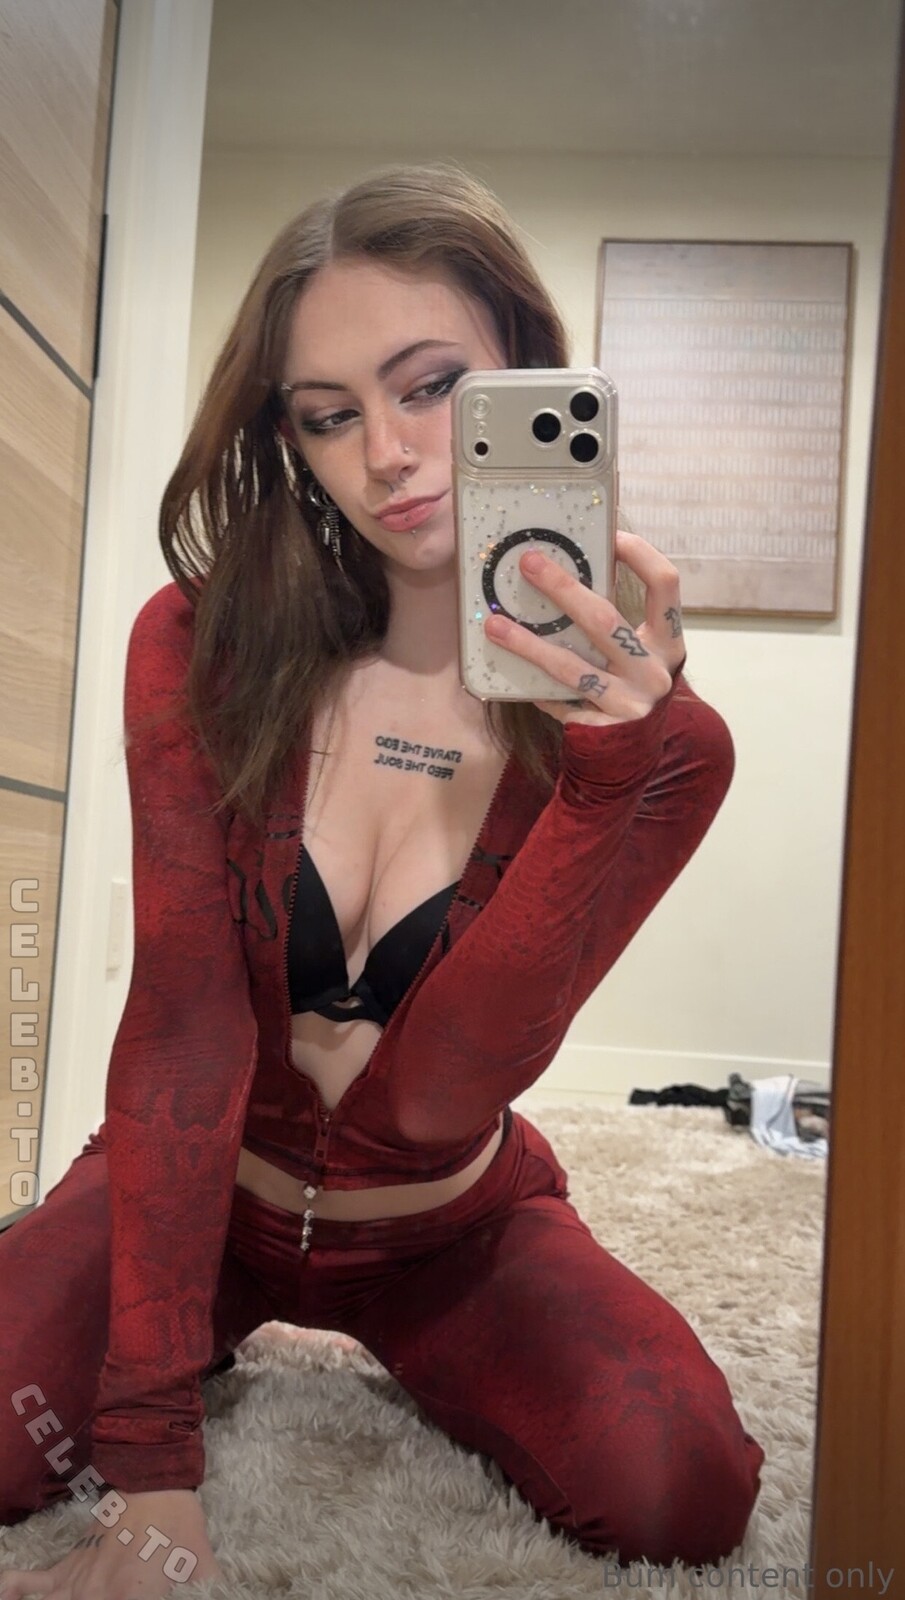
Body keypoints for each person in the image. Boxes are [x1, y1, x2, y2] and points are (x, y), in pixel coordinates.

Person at [0, 162, 765, 1598]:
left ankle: (431, 1355)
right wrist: (150, 1456)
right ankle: (189, 1330)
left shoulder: (668, 751)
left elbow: (441, 1095)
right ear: (288, 438)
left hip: (449, 1232)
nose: (391, 456)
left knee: (680, 1488)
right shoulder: (200, 647)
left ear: (523, 380)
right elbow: (183, 1020)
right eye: (329, 414)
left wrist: (605, 778)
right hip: (207, 1197)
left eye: (432, 389)